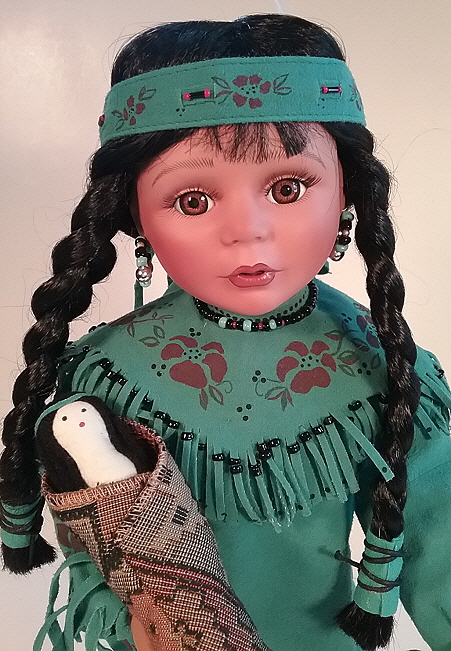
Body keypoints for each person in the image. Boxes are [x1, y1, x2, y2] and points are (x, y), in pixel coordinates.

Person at [1, 13, 451, 651]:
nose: (248, 230)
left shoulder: (383, 369)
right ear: (134, 214)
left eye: (288, 188)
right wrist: (143, 616)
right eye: (194, 200)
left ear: (348, 191)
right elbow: (92, 544)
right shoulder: (108, 373)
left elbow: (440, 545)